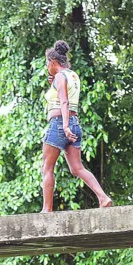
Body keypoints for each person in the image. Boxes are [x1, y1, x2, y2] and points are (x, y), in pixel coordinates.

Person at [42, 40, 112, 213]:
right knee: (77, 168)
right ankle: (103, 197)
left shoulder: (59, 76)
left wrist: (65, 126)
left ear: (53, 62)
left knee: (47, 167)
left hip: (60, 124)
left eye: (47, 65)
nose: (47, 68)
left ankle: (47, 209)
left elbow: (64, 101)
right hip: (75, 123)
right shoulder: (72, 75)